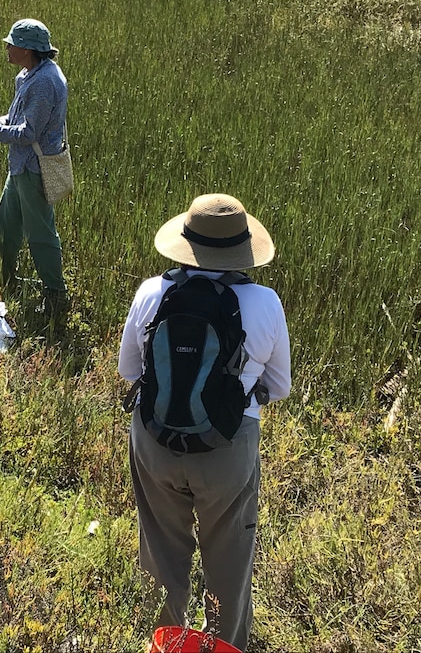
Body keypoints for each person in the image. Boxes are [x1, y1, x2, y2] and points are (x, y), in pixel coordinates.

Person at [118, 194, 291, 651]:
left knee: (161, 549)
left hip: (154, 438)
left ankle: (166, 640)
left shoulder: (151, 291)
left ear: (186, 243)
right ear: (241, 249)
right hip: (228, 448)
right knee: (229, 556)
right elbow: (280, 386)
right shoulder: (265, 302)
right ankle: (224, 643)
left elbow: (128, 371)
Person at [0, 18, 69, 316]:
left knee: (41, 234)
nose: (6, 47)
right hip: (19, 165)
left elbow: (28, 133)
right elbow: (15, 119)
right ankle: (7, 280)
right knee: (6, 223)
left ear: (28, 50)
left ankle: (56, 297)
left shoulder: (46, 83)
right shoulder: (27, 75)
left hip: (34, 169)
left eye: (12, 44)